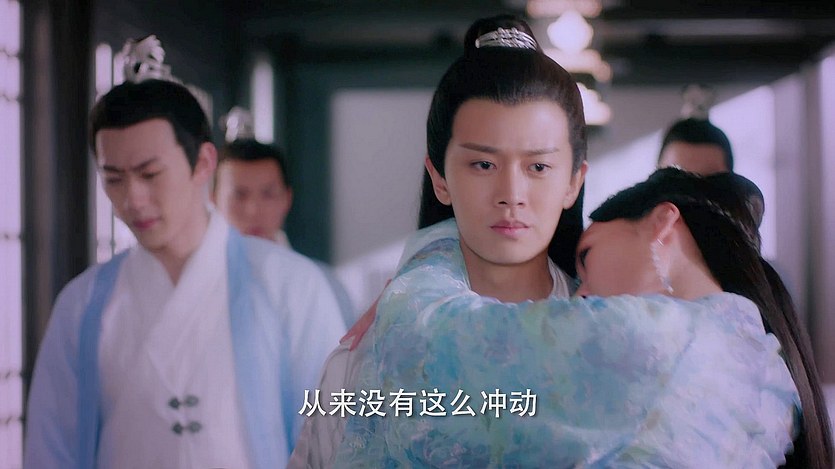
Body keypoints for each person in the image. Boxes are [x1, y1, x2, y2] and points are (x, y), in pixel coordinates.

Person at [335, 167, 830, 468]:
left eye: (587, 258)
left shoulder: (653, 340)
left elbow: (427, 341)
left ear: (662, 224)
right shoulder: (764, 370)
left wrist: (439, 247)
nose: (581, 295)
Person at [287, 14, 588, 468]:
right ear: (440, 178)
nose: (512, 194)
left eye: (538, 167)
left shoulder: (605, 345)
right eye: (483, 165)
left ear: (573, 182)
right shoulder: (370, 354)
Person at [24, 78, 345, 469]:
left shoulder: (292, 285)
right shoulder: (82, 303)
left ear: (203, 163)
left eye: (150, 174)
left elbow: (331, 439)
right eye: (114, 179)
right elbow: (51, 448)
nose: (133, 199)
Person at [212, 129, 355, 325]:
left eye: (268, 194)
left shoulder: (324, 284)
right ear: (213, 201)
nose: (253, 210)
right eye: (239, 195)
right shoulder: (197, 281)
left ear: (287, 199)